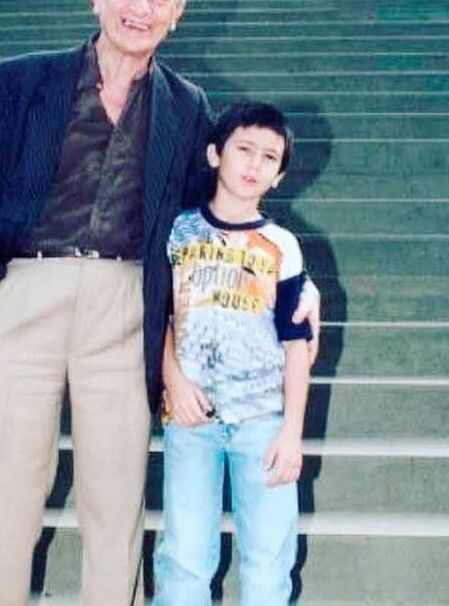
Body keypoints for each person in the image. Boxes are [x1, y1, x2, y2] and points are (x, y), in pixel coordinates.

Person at [0, 0, 319, 606]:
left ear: (176, 14)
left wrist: (284, 273)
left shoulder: (188, 107)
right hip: (20, 296)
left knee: (116, 506)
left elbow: (210, 212)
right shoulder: (21, 81)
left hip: (125, 308)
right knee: (0, 499)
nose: (139, 7)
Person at [154, 101, 310, 605]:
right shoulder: (176, 232)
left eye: (269, 157)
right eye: (244, 149)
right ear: (215, 154)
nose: (254, 164)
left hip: (263, 422)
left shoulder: (282, 246)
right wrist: (173, 380)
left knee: (267, 560)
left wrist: (292, 432)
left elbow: (296, 344)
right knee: (184, 555)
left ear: (280, 174)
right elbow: (157, 316)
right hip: (190, 419)